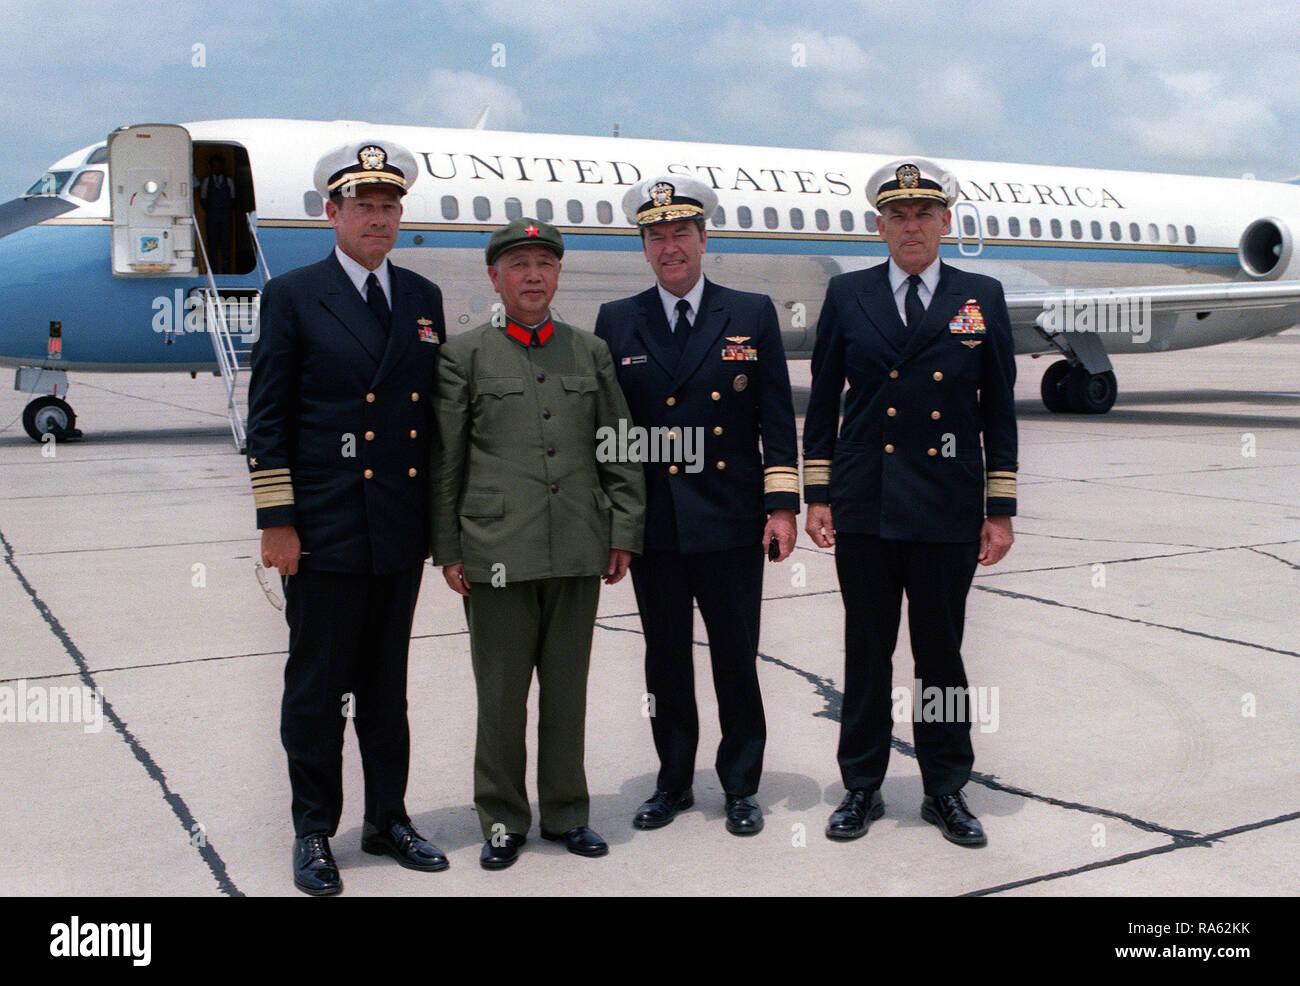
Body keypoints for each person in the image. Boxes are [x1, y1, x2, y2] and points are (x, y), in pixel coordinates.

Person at [247, 140, 448, 895]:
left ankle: (389, 819)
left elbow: (431, 422)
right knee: (317, 689)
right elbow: (269, 419)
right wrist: (278, 521)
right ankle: (313, 831)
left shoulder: (423, 299)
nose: (378, 218)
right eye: (362, 205)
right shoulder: (295, 295)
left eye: (389, 206)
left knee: (386, 688)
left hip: (396, 530)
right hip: (324, 531)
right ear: (331, 212)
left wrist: (441, 526)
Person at [802, 158, 1017, 847]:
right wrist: (817, 495)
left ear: (947, 222)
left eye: (925, 213)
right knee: (866, 653)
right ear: (880, 227)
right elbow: (825, 402)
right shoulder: (849, 296)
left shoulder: (979, 296)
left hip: (945, 510)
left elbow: (998, 411)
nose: (912, 226)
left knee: (941, 657)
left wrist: (1000, 508)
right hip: (865, 506)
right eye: (898, 215)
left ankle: (945, 788)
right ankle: (861, 787)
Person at [432, 217, 645, 871]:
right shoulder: (463, 355)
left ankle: (567, 814)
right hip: (496, 550)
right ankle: (501, 822)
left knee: (566, 692)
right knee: (499, 699)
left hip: (579, 546)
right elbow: (448, 460)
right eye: (518, 265)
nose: (532, 276)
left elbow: (620, 444)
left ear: (558, 275)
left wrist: (624, 530)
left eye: (544, 265)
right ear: (494, 277)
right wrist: (448, 549)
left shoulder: (589, 352)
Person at [594, 176, 799, 837]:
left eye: (681, 233)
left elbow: (776, 418)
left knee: (736, 659)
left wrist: (781, 506)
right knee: (665, 660)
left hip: (733, 519)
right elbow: (612, 430)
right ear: (644, 249)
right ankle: (673, 782)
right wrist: (614, 521)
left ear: (704, 239)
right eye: (656, 237)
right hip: (657, 524)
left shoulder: (750, 311)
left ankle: (741, 785)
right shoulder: (618, 319)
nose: (670, 247)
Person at [199, 155, 237, 274]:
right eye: (214, 166)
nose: (217, 169)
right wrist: (211, 210)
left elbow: (233, 198)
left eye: (219, 166)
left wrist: (225, 210)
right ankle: (213, 271)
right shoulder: (206, 181)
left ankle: (227, 271)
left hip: (226, 216)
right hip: (212, 216)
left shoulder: (229, 181)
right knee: (212, 244)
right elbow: (203, 198)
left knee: (226, 244)